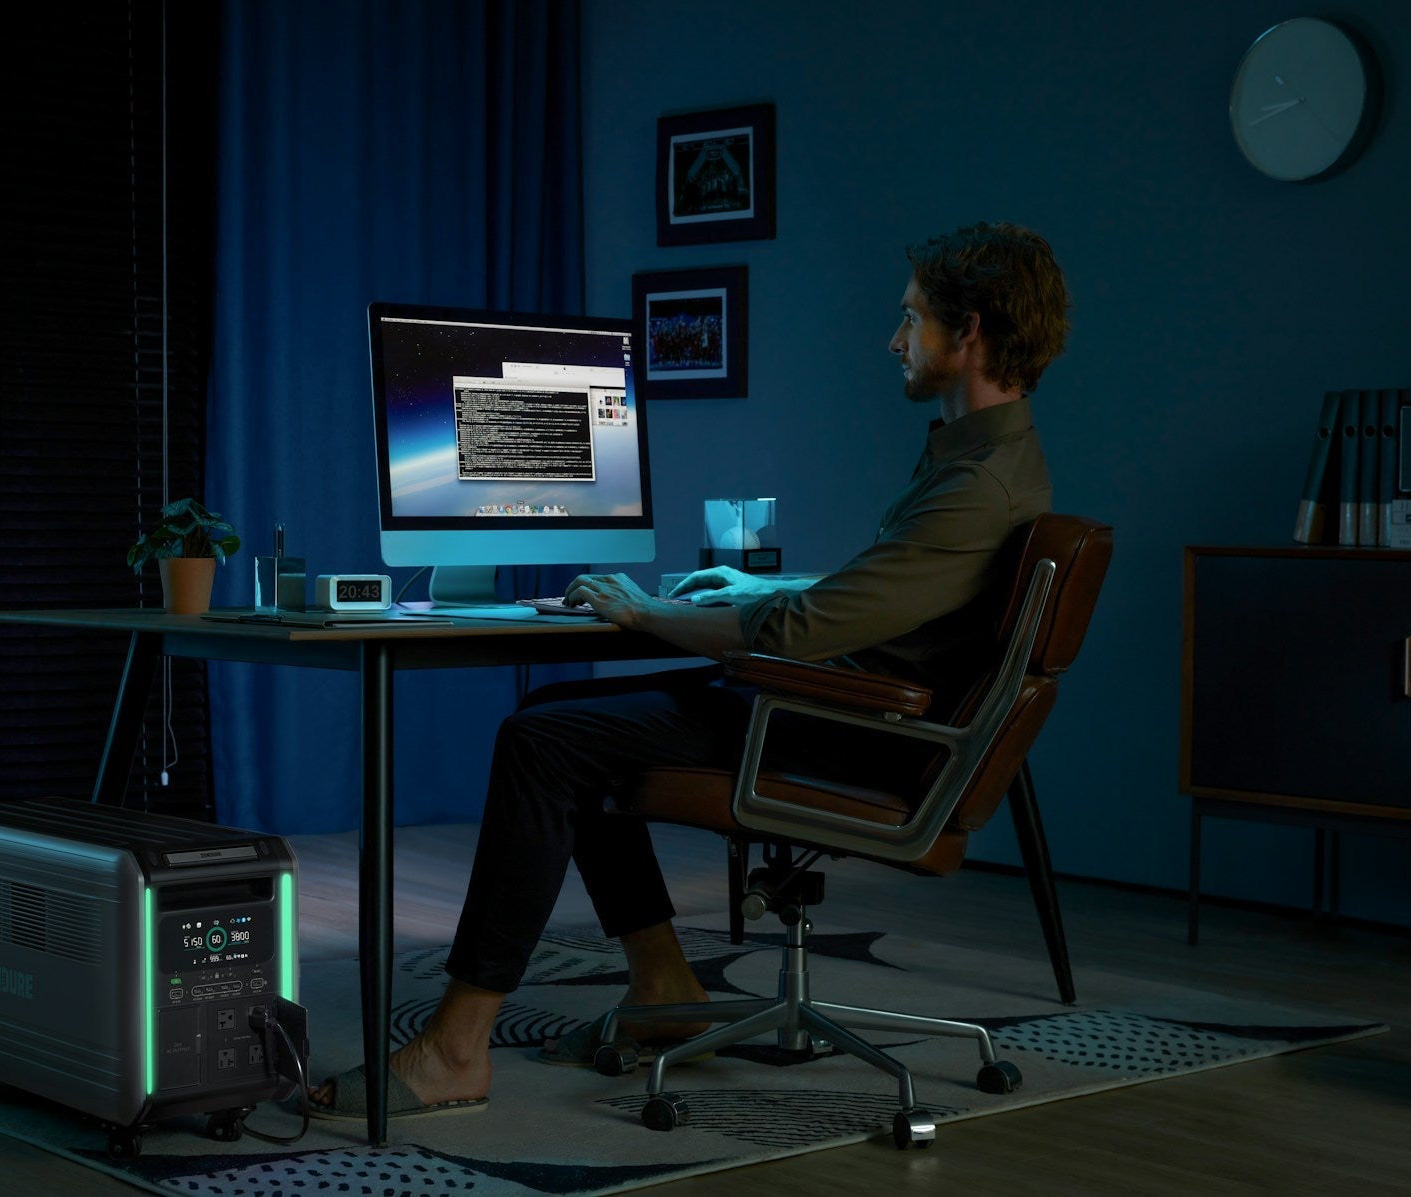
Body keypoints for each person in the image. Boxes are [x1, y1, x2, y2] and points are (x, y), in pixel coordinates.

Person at [311, 220, 1070, 1119]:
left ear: (969, 329)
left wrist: (641, 611)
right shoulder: (990, 462)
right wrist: (762, 578)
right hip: (869, 718)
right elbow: (898, 590)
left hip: (851, 731)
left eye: (910, 318)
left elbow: (796, 632)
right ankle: (665, 986)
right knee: (563, 717)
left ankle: (454, 1047)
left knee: (541, 741)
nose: (893, 339)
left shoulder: (975, 485)